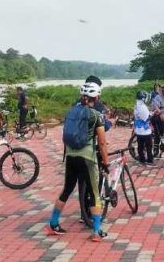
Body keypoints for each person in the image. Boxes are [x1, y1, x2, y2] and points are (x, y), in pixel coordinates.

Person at [46, 82, 109, 241]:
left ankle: (53, 223)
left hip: (71, 156)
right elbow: (102, 143)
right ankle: (96, 230)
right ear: (97, 97)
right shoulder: (96, 115)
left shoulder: (71, 111)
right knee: (94, 193)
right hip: (87, 157)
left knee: (67, 189)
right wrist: (106, 163)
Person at [133, 90, 154, 164]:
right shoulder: (142, 107)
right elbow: (146, 118)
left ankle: (141, 159)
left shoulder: (137, 105)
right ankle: (149, 160)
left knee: (140, 146)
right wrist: (152, 114)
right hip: (145, 131)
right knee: (148, 146)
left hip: (138, 130)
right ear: (143, 98)